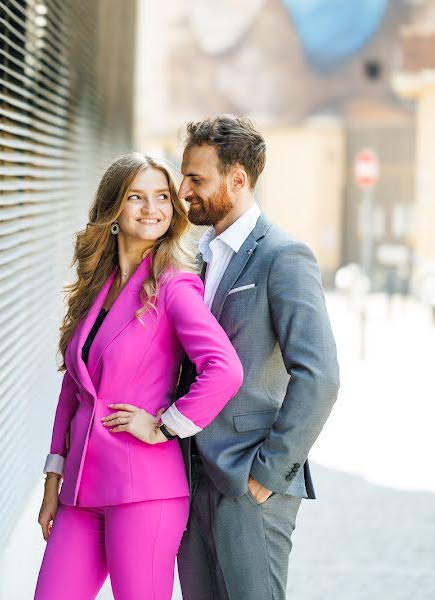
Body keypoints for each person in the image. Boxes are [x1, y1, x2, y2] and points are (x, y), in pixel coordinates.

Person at [34, 153, 243, 600]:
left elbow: (224, 369)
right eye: (136, 197)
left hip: (145, 493)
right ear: (114, 210)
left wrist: (165, 425)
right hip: (80, 495)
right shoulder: (97, 286)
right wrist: (54, 479)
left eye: (162, 197)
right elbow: (73, 389)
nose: (152, 208)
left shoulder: (174, 285)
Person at [174, 115, 340, 600]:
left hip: (249, 486)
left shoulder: (284, 257)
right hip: (190, 478)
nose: (184, 190)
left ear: (238, 180)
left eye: (197, 179)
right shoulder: (195, 258)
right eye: (185, 176)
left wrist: (266, 476)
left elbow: (320, 376)